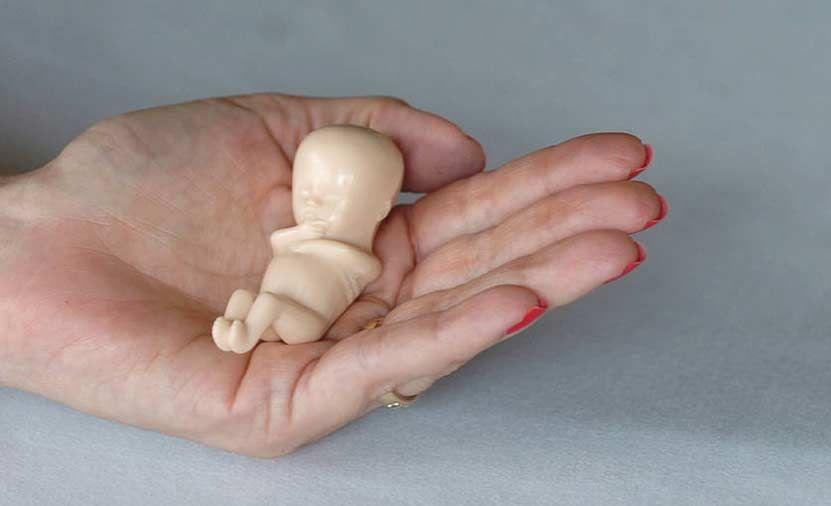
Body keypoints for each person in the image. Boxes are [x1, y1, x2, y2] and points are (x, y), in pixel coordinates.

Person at [0, 94, 667, 457]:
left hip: (304, 305)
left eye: (331, 195)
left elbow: (332, 278)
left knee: (276, 311)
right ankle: (244, 323)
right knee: (257, 303)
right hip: (287, 288)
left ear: (375, 211)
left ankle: (250, 324)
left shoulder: (352, 259)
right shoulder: (305, 236)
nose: (312, 204)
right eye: (307, 191)